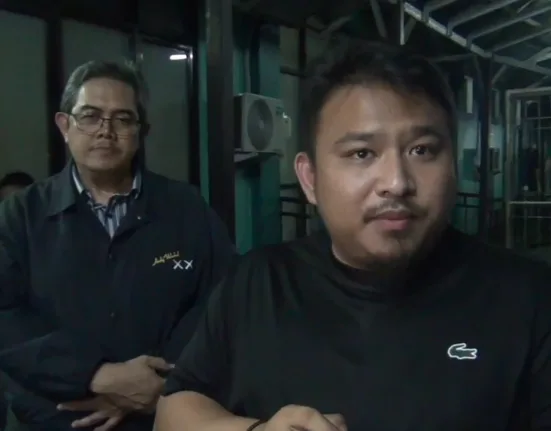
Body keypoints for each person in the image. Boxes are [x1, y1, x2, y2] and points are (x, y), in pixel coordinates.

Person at [155, 42, 551, 431]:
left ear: (453, 165)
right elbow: (174, 409)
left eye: (422, 150)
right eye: (362, 153)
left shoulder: (529, 300)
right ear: (309, 179)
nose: (396, 182)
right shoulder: (257, 283)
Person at [0, 60, 234, 431]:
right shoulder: (20, 215)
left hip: (161, 414)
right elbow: (6, 317)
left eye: (123, 119)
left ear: (142, 131)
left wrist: (159, 382)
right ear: (64, 125)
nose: (105, 131)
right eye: (90, 116)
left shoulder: (186, 209)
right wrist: (96, 375)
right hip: (50, 418)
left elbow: (221, 299)